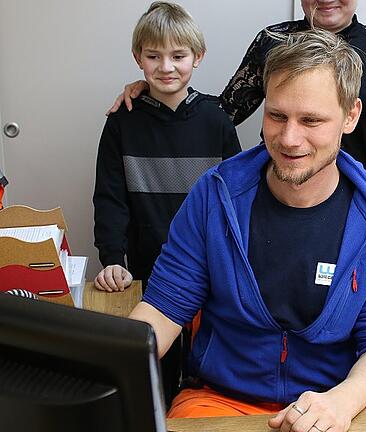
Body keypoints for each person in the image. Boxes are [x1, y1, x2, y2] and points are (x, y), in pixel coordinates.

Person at [128, 29, 366, 431]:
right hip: (218, 402)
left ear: (351, 116)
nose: (289, 138)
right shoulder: (216, 195)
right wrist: (104, 371)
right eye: (276, 115)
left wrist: (342, 402)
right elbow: (163, 308)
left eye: (311, 120)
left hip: (332, 405)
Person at [92, 0, 240, 402]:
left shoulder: (216, 119)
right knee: (151, 375)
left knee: (203, 375)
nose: (166, 67)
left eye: (178, 56)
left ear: (198, 57)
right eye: (154, 56)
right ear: (138, 58)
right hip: (144, 270)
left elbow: (236, 201)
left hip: (211, 270)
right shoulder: (122, 120)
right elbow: (110, 197)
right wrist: (112, 260)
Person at [111, 0, 366, 168]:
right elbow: (224, 111)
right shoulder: (274, 41)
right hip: (273, 183)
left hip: (345, 191)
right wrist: (158, 89)